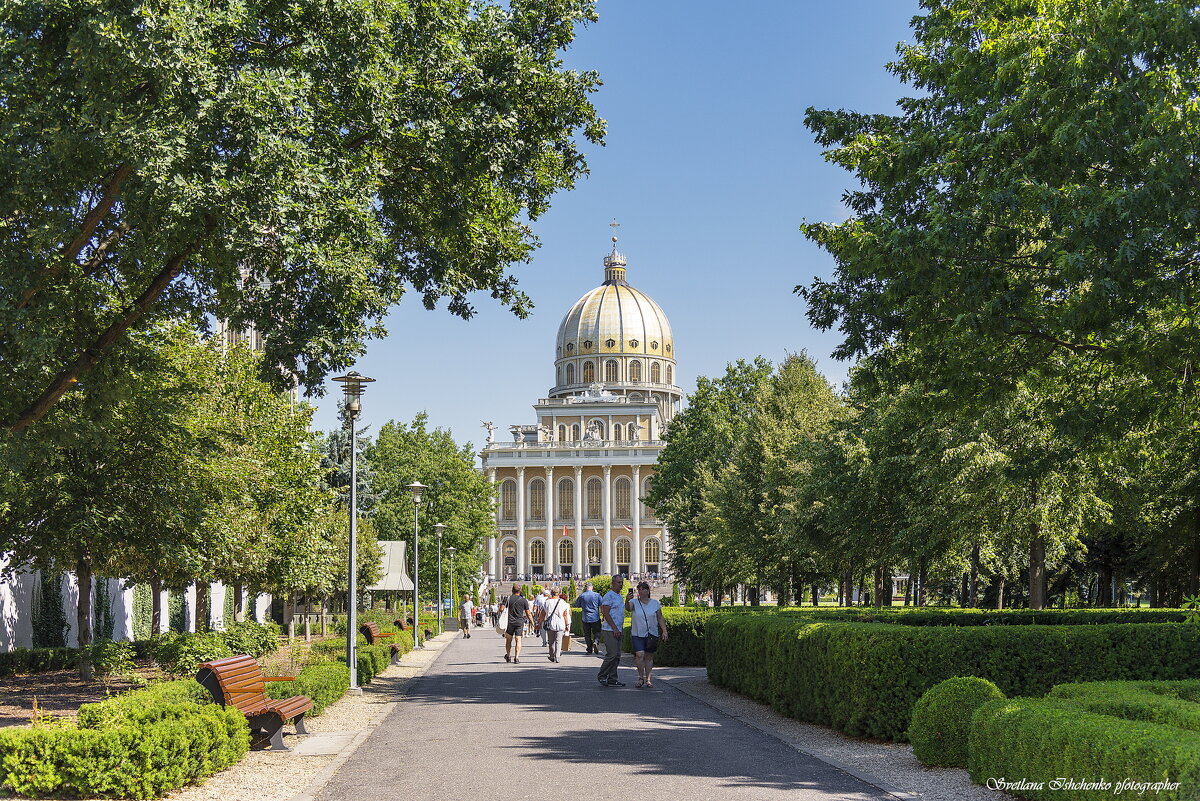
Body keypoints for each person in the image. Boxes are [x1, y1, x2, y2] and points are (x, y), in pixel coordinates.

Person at [626, 581, 669, 687]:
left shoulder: (655, 603)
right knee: (639, 654)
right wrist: (626, 600)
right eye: (639, 589)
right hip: (637, 633)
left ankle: (648, 679)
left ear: (648, 591)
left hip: (651, 633)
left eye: (642, 589)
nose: (640, 591)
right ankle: (641, 677)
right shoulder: (634, 602)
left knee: (649, 657)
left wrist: (664, 631)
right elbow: (627, 608)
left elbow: (660, 617)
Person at [597, 575, 631, 687]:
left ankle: (612, 678)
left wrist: (627, 600)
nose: (620, 584)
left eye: (622, 582)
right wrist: (615, 628)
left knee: (617, 656)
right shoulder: (608, 596)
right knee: (612, 654)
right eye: (618, 582)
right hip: (609, 629)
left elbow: (625, 610)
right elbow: (605, 613)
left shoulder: (619, 596)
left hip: (618, 629)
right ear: (613, 583)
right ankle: (602, 676)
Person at [499, 584, 531, 663]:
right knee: (518, 640)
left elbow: (501, 609)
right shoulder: (523, 600)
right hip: (519, 622)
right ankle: (516, 658)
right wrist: (532, 622)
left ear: (512, 590)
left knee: (508, 640)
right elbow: (528, 613)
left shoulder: (508, 598)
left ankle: (508, 656)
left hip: (509, 622)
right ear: (520, 591)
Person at [573, 581, 603, 654]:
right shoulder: (597, 595)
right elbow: (602, 606)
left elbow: (576, 605)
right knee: (597, 632)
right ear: (592, 587)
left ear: (586, 588)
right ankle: (596, 642)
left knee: (587, 634)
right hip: (595, 617)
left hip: (585, 618)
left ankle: (589, 650)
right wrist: (604, 615)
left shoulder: (582, 596)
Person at [543, 587, 569, 663]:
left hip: (550, 623)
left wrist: (539, 621)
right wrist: (567, 624)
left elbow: (544, 613)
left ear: (551, 593)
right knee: (558, 640)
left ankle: (552, 655)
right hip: (560, 622)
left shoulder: (547, 602)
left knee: (551, 641)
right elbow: (565, 614)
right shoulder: (563, 602)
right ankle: (557, 656)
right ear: (559, 593)